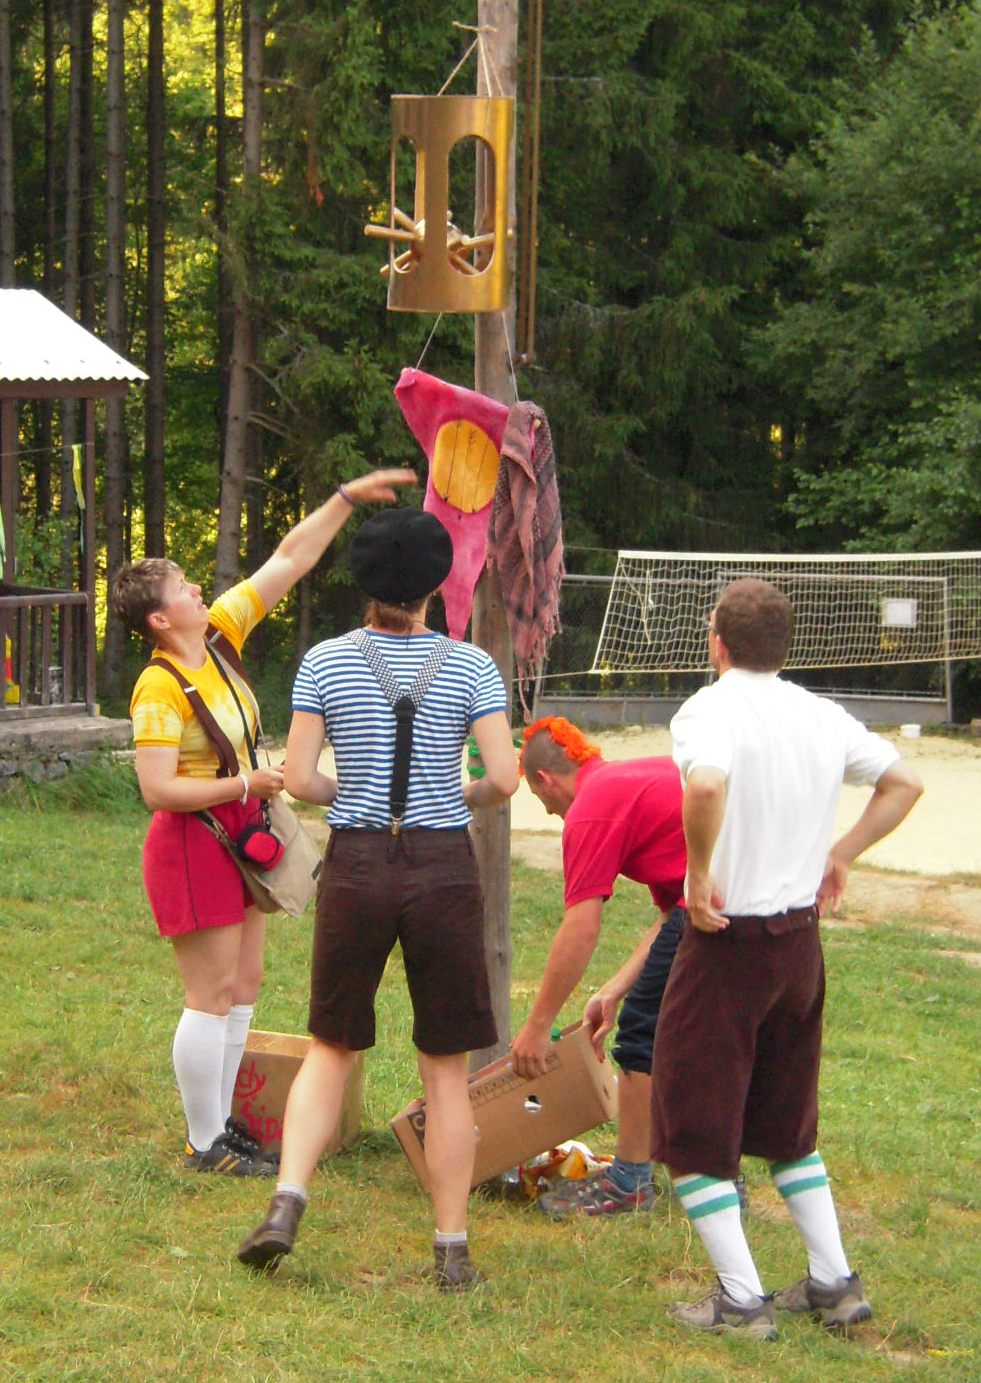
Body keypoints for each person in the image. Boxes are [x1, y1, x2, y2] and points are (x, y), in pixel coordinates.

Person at [236, 507, 519, 1289]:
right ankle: (451, 1246)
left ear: (361, 579)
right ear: (435, 584)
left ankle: (286, 1201)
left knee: (332, 1046)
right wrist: (457, 795)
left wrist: (347, 791)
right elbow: (502, 777)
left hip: (358, 864)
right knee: (445, 1069)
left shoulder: (325, 661)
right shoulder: (471, 666)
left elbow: (299, 779)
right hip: (441, 868)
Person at [112, 468, 415, 1177]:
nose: (197, 590)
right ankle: (204, 1142)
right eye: (182, 588)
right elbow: (157, 789)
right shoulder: (157, 685)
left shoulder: (219, 634)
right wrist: (247, 781)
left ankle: (223, 1126)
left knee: (244, 983)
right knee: (209, 993)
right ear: (159, 620)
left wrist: (343, 499)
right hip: (193, 842)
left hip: (240, 831)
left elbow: (289, 558)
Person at [653, 577, 923, 1340]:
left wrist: (697, 872)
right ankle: (833, 1282)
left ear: (716, 641)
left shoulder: (708, 710)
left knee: (689, 1116)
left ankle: (740, 1300)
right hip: (799, 944)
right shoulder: (819, 713)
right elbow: (903, 782)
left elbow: (706, 783)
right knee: (786, 1119)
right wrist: (841, 852)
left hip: (728, 942)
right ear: (783, 644)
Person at [511, 716, 690, 1217]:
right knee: (699, 1039)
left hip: (721, 905)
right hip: (759, 902)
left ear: (546, 779)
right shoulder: (627, 782)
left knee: (641, 1036)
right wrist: (613, 988)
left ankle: (629, 1182)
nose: (551, 813)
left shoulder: (590, 809)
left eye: (543, 802)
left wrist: (538, 1026)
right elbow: (674, 914)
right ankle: (719, 1175)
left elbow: (581, 928)